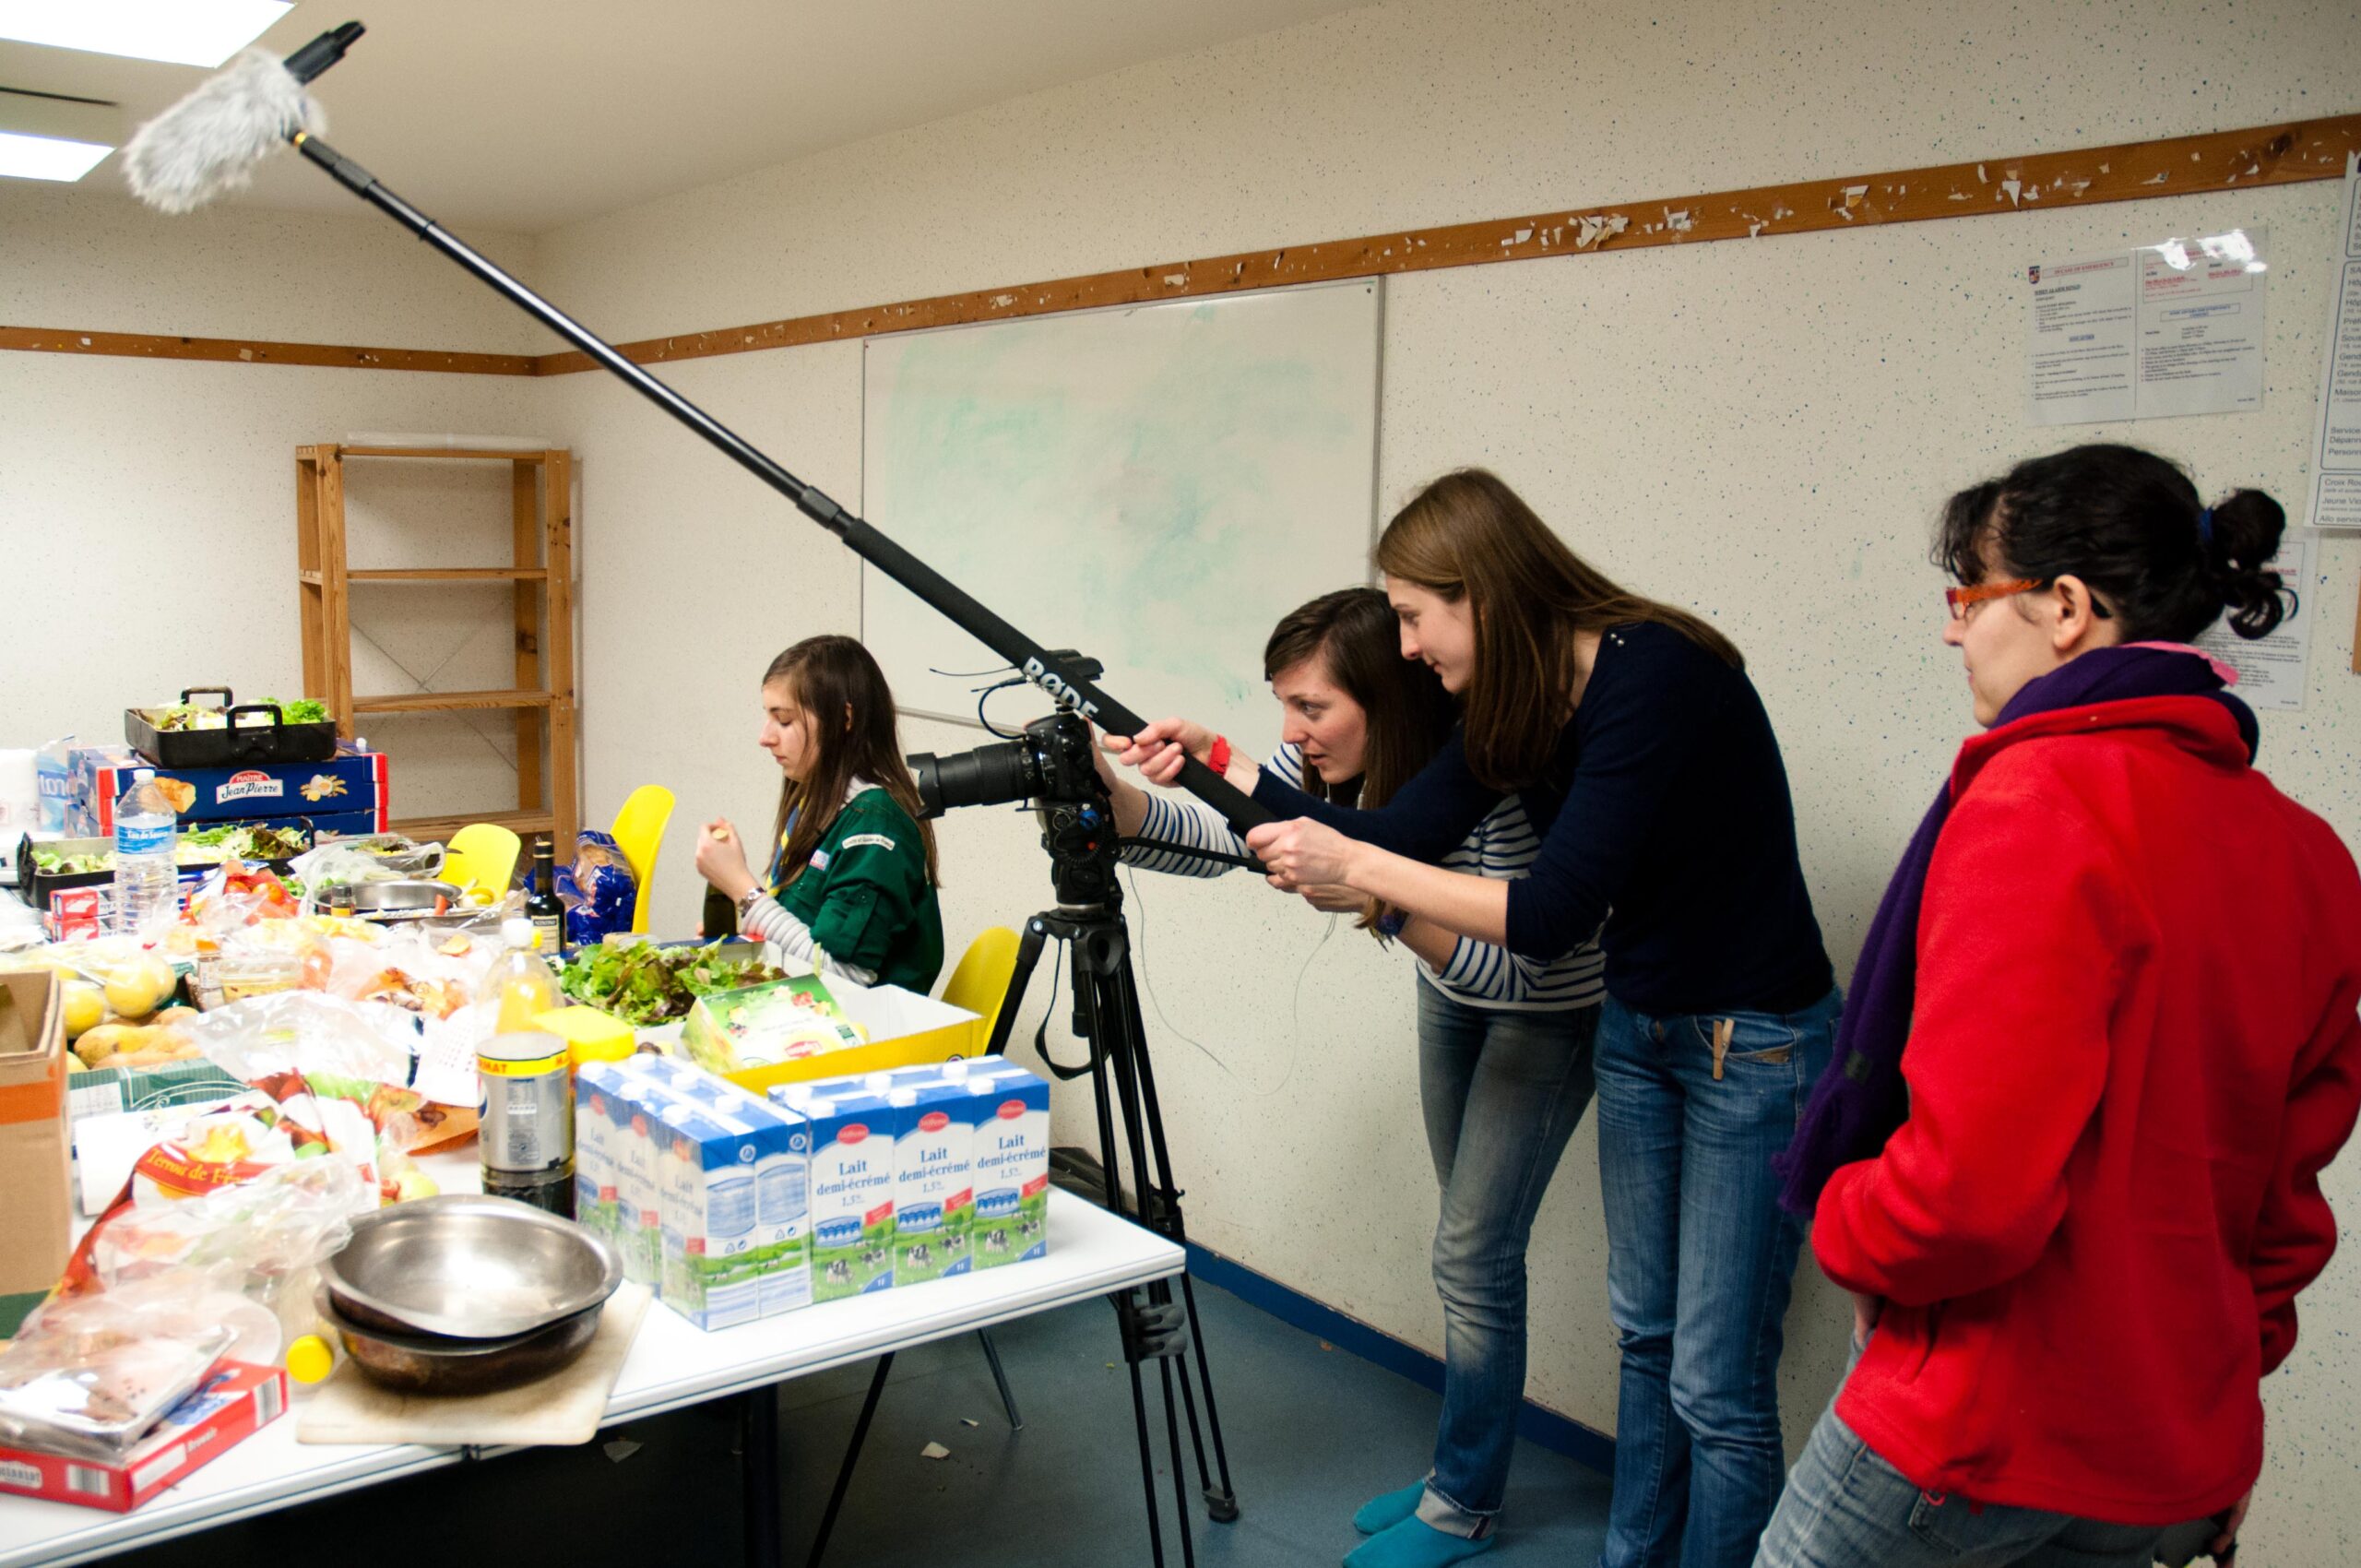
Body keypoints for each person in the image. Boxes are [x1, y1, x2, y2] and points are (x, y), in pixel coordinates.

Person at [1114, 469, 1838, 1568]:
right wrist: (1216, 771)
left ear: (1483, 596)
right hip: (1642, 1024)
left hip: (1751, 1039)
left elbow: (1544, 918)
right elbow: (1397, 824)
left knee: (1713, 1379)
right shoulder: (1518, 695)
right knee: (1646, 1336)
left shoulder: (1653, 681)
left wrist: (1366, 872)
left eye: (1411, 614)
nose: (1404, 644)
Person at [1754, 444, 2361, 1568]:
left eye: (1968, 596)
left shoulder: (2036, 799)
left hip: (1979, 1426)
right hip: (2171, 1448)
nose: (1952, 631)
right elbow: (2283, 1203)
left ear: (2067, 608)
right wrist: (2218, 1412)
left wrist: (1845, 1221)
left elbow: (1967, 1197)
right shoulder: (2311, 854)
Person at [1104, 586, 1606, 1566]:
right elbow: (1242, 839)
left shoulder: (1488, 776)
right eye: (1284, 706)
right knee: (1471, 1254)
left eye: (1312, 709)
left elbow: (1525, 964)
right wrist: (1126, 799)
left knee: (1473, 1254)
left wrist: (1372, 897)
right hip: (1452, 992)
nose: (1293, 734)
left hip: (1548, 1012)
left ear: (1388, 694)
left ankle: (1462, 1503)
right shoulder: (1333, 752)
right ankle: (1463, 1477)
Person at [694, 634, 945, 992]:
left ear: (844, 719)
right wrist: (746, 945)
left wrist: (744, 891)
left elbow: (843, 979)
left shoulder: (876, 825)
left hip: (861, 1030)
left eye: (783, 721)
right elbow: (802, 929)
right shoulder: (817, 797)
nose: (765, 737)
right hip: (804, 1008)